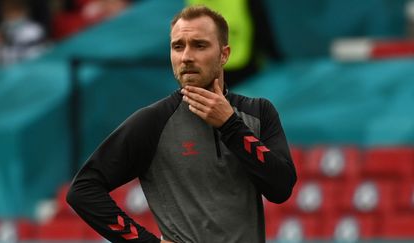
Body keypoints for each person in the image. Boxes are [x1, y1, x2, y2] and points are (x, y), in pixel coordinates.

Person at [67, 5, 296, 243]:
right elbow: (83, 190)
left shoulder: (259, 112)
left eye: (199, 45)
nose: (186, 56)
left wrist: (230, 125)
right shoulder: (153, 121)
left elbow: (281, 188)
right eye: (178, 46)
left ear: (224, 54)